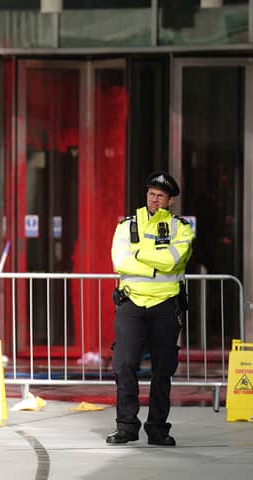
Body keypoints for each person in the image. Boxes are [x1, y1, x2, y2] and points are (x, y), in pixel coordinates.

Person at [106, 171, 194, 446]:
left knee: (162, 371)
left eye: (161, 196)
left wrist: (140, 254)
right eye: (151, 194)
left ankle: (157, 429)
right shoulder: (126, 225)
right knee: (124, 366)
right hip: (131, 303)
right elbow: (120, 261)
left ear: (170, 201)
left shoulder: (182, 228)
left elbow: (174, 259)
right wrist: (156, 260)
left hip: (165, 305)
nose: (154, 200)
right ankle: (126, 427)